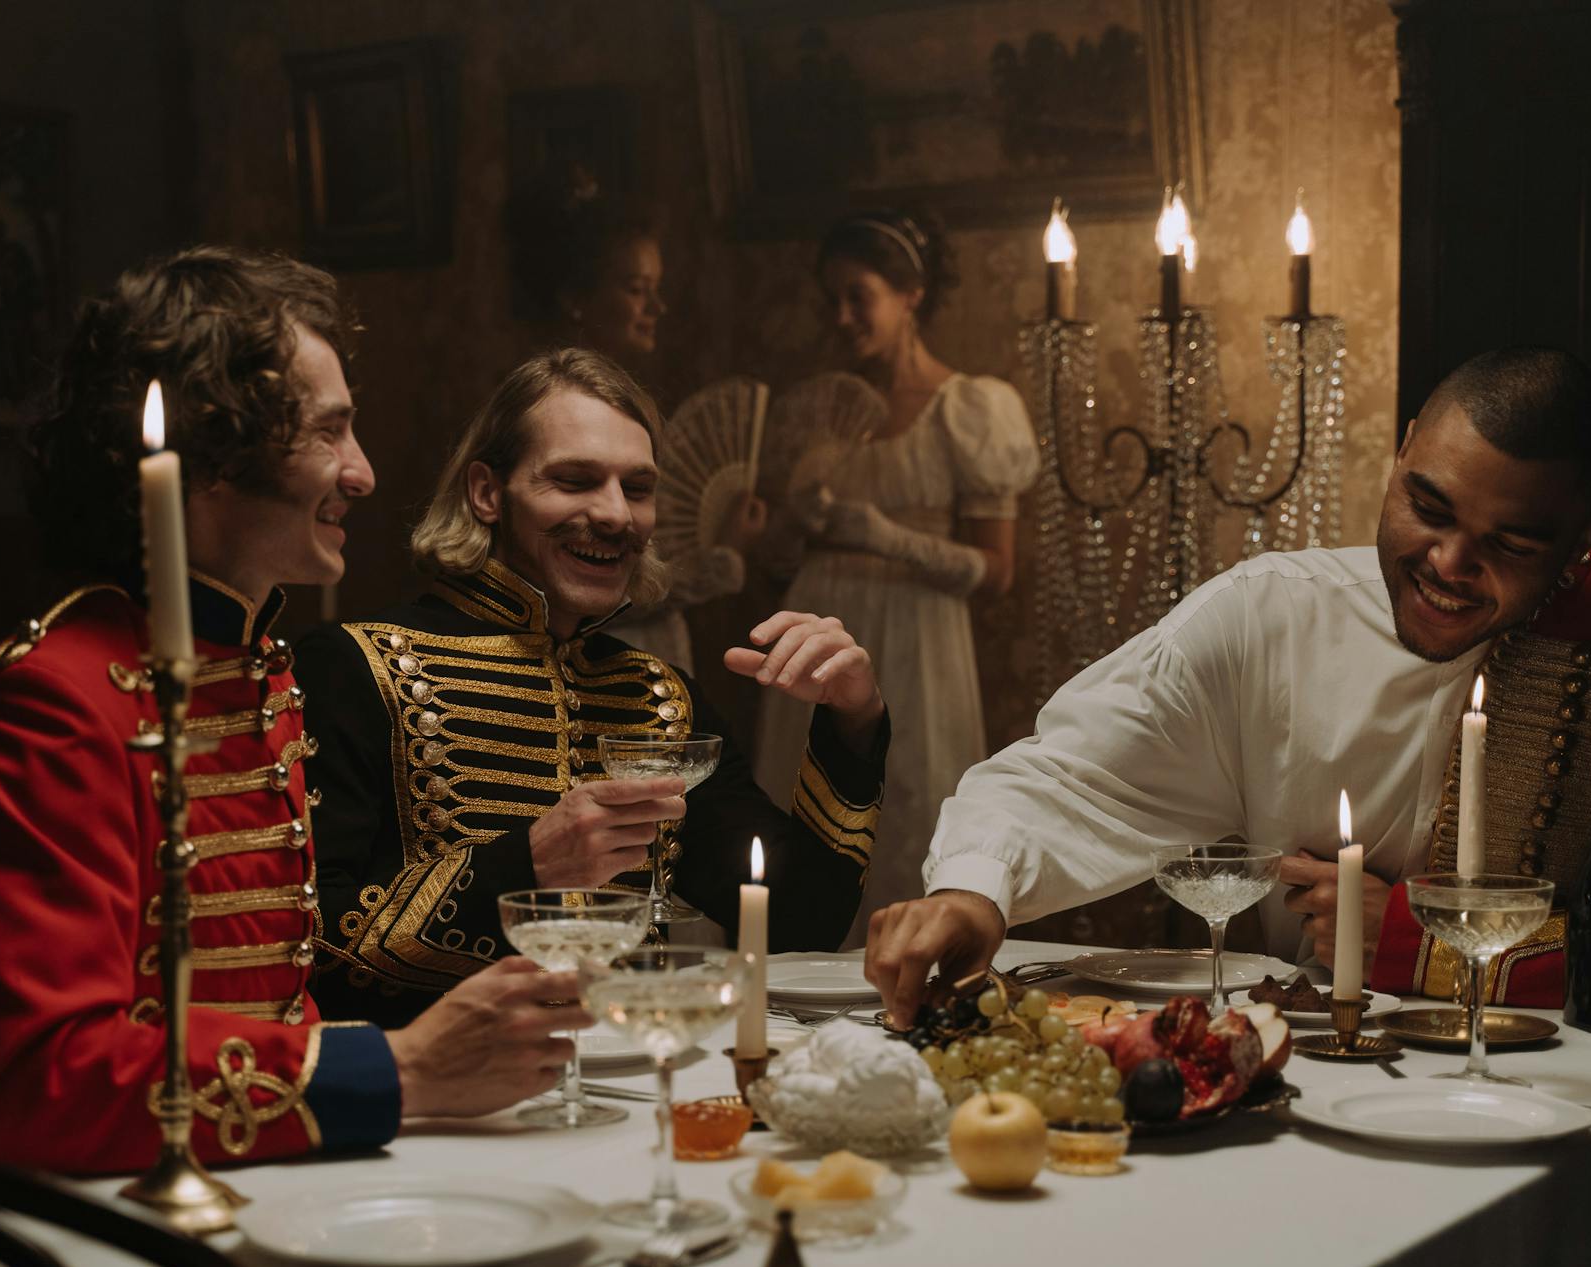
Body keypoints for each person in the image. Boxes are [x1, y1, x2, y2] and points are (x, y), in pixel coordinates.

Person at [0, 248, 587, 1175]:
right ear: (214, 458)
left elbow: (268, 1009)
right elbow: (37, 1081)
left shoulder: (254, 661)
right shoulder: (53, 700)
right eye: (331, 432)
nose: (361, 473)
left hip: (250, 1167)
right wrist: (395, 1068)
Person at [865, 346, 1591, 1025]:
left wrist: (1410, 935)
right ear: (1400, 453)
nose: (1447, 564)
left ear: (1584, 545)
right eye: (1426, 507)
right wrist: (973, 896)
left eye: (1507, 545)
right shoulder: (1271, 618)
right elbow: (1065, 777)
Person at [297, 347, 890, 1027]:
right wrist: (527, 866)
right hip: (437, 1096)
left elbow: (797, 922)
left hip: (630, 1076)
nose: (616, 515)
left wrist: (854, 721)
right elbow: (309, 941)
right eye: (575, 480)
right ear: (487, 493)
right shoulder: (351, 666)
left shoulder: (660, 698)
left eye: (637, 488)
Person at [754, 209, 1040, 946]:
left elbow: (997, 572)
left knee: (907, 809)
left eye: (860, 295)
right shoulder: (816, 414)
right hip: (816, 630)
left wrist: (890, 539)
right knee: (803, 810)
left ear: (910, 294)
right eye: (832, 300)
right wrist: (788, 530)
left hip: (916, 644)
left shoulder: (968, 409)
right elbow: (774, 561)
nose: (842, 316)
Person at [507, 171, 764, 671]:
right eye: (636, 288)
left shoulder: (633, 410)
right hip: (589, 660)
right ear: (577, 298)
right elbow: (590, 583)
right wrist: (724, 560)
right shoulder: (538, 415)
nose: (657, 307)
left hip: (655, 656)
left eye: (657, 289)